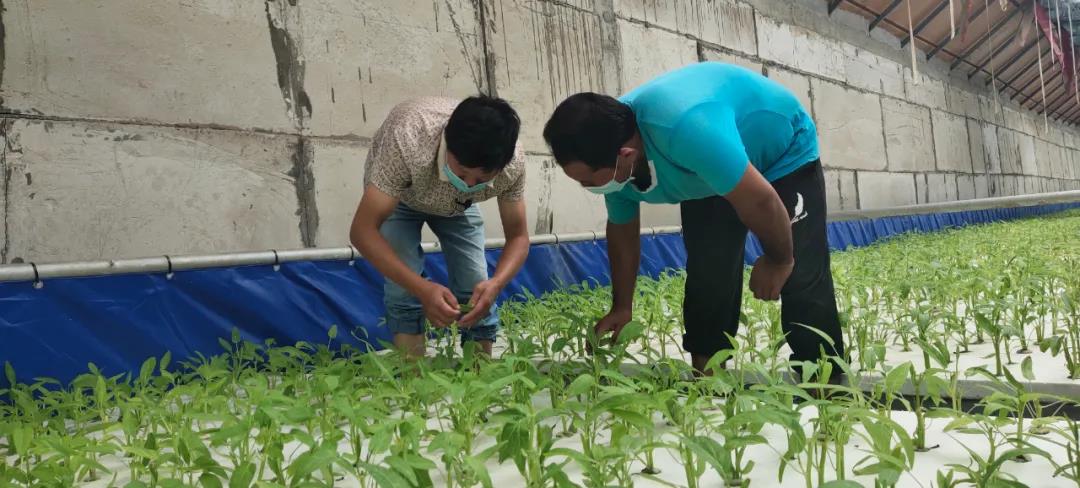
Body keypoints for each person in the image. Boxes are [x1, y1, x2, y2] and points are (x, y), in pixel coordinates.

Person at [543, 62, 844, 377]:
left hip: (781, 150)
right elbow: (622, 232)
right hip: (711, 167)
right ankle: (707, 378)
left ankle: (825, 382)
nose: (588, 188)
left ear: (626, 155)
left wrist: (779, 259)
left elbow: (761, 200)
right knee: (708, 269)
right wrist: (621, 306)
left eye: (588, 181)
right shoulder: (611, 155)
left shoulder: (686, 129)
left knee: (801, 270)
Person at [350, 96, 529, 358]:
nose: (468, 184)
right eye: (462, 172)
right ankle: (413, 377)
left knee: (476, 284)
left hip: (459, 207)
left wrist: (497, 283)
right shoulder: (408, 139)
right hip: (401, 197)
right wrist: (422, 289)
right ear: (447, 144)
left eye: (481, 179)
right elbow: (362, 231)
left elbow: (518, 237)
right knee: (403, 289)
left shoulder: (513, 165)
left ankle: (479, 375)